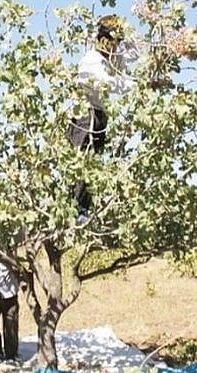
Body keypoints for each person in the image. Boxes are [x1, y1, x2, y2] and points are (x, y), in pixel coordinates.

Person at [67, 14, 138, 223]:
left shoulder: (112, 59)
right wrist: (137, 85)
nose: (115, 46)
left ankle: (83, 209)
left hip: (98, 115)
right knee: (83, 161)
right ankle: (76, 210)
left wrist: (127, 32)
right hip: (84, 115)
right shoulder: (91, 61)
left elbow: (134, 55)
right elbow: (108, 84)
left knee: (93, 162)